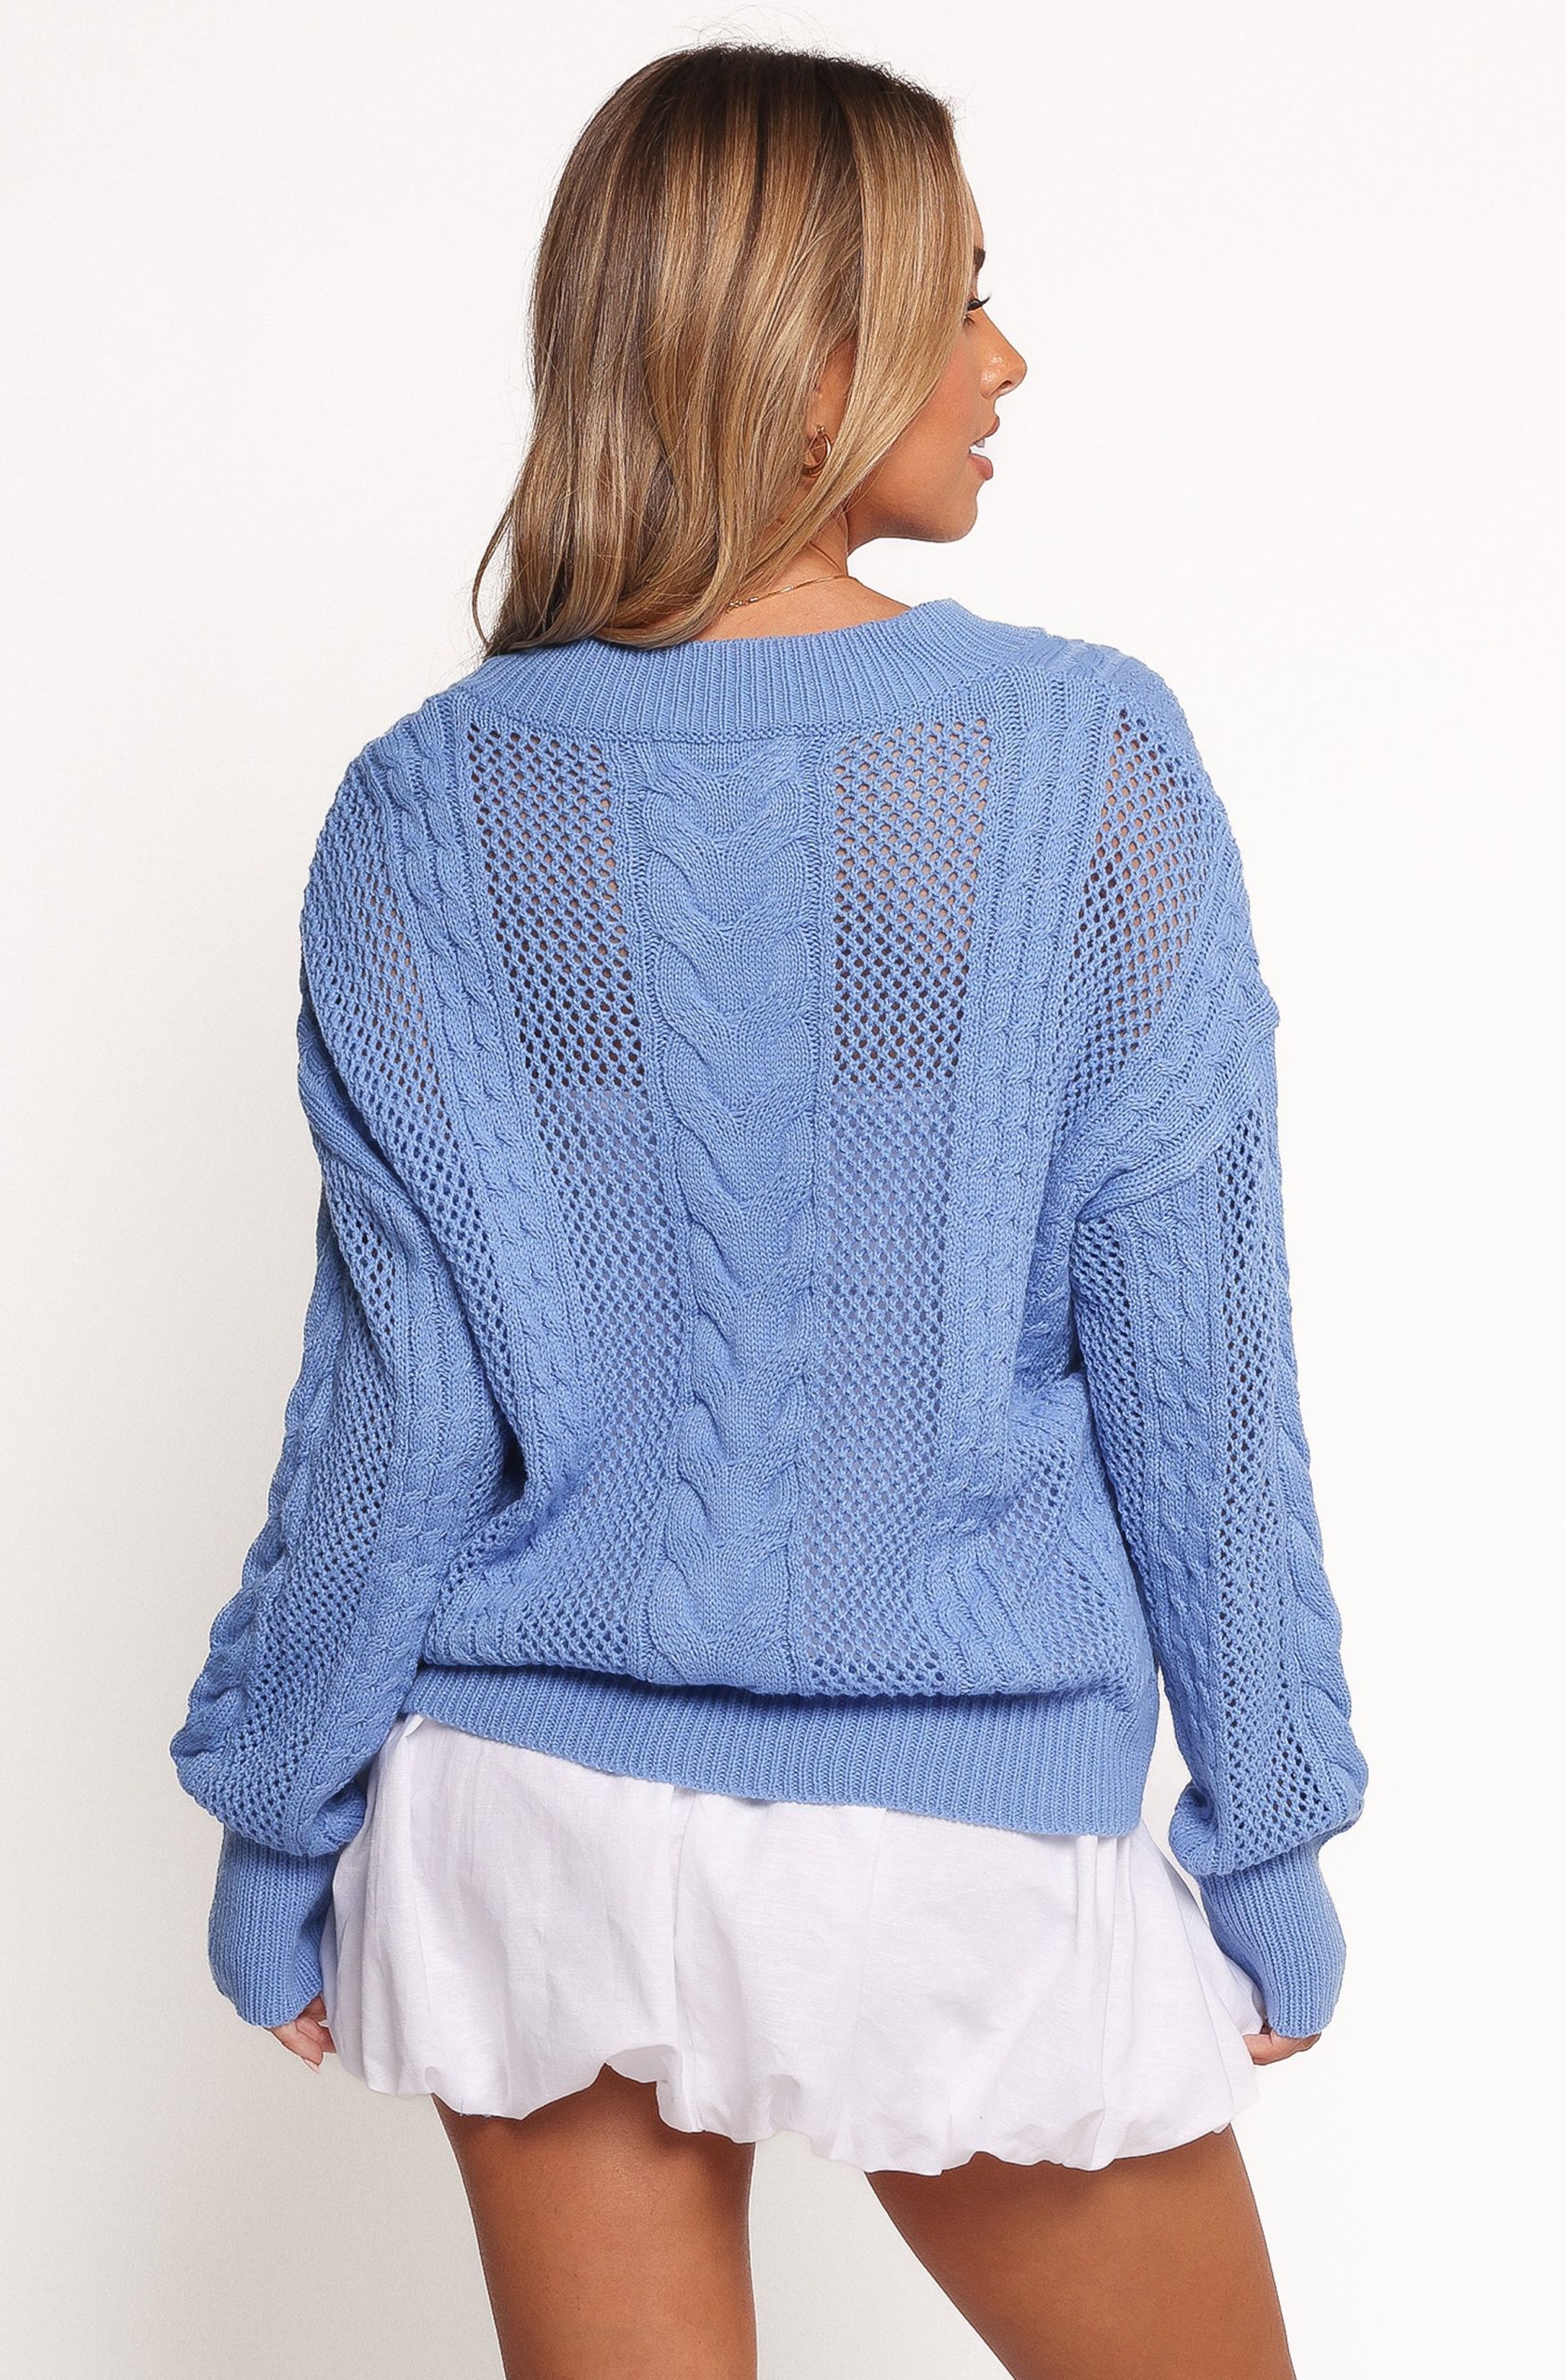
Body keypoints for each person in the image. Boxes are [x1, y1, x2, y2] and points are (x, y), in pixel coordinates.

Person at [170, 39, 1369, 2380]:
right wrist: (1272, 1819)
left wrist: (277, 1807)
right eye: (956, 299)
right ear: (807, 353)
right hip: (949, 1830)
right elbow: (1195, 1367)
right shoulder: (1079, 760)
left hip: (525, 1829)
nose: (1003, 360)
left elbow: (396, 1410)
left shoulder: (425, 804)